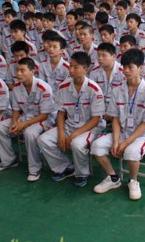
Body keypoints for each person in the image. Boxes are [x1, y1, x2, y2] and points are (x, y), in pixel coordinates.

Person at [91, 48, 145, 201]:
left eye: (130, 67)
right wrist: (116, 141)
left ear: (140, 68)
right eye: (124, 67)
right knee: (96, 146)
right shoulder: (117, 90)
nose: (126, 71)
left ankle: (133, 181)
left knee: (131, 152)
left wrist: (126, 143)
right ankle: (113, 178)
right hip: (122, 131)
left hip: (142, 134)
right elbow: (115, 118)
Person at [38, 52, 105, 188]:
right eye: (70, 66)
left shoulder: (94, 89)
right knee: (43, 139)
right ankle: (65, 167)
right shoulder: (63, 87)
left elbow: (95, 120)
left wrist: (73, 135)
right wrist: (61, 133)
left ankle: (81, 174)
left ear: (85, 69)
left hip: (91, 128)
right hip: (70, 125)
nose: (71, 70)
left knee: (77, 144)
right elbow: (60, 113)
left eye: (75, 67)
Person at [0, 57, 55, 182]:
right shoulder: (16, 87)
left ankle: (35, 168)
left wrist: (23, 125)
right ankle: (8, 160)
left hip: (44, 120)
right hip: (25, 117)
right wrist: (15, 123)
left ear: (32, 72)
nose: (18, 74)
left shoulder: (44, 88)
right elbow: (16, 110)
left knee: (30, 133)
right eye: (17, 70)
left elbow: (44, 115)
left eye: (22, 70)